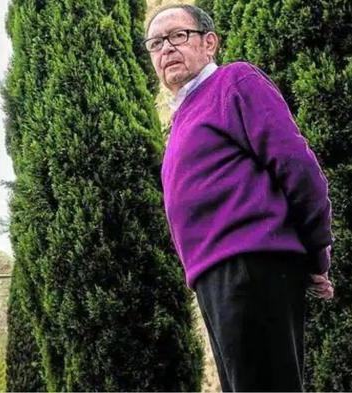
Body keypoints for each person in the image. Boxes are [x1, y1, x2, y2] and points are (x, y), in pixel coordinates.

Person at [143, 4, 334, 392]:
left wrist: (317, 253)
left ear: (209, 43)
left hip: (251, 266)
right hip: (215, 278)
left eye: (178, 36)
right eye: (156, 43)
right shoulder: (183, 118)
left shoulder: (233, 83)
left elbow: (297, 165)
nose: (166, 49)